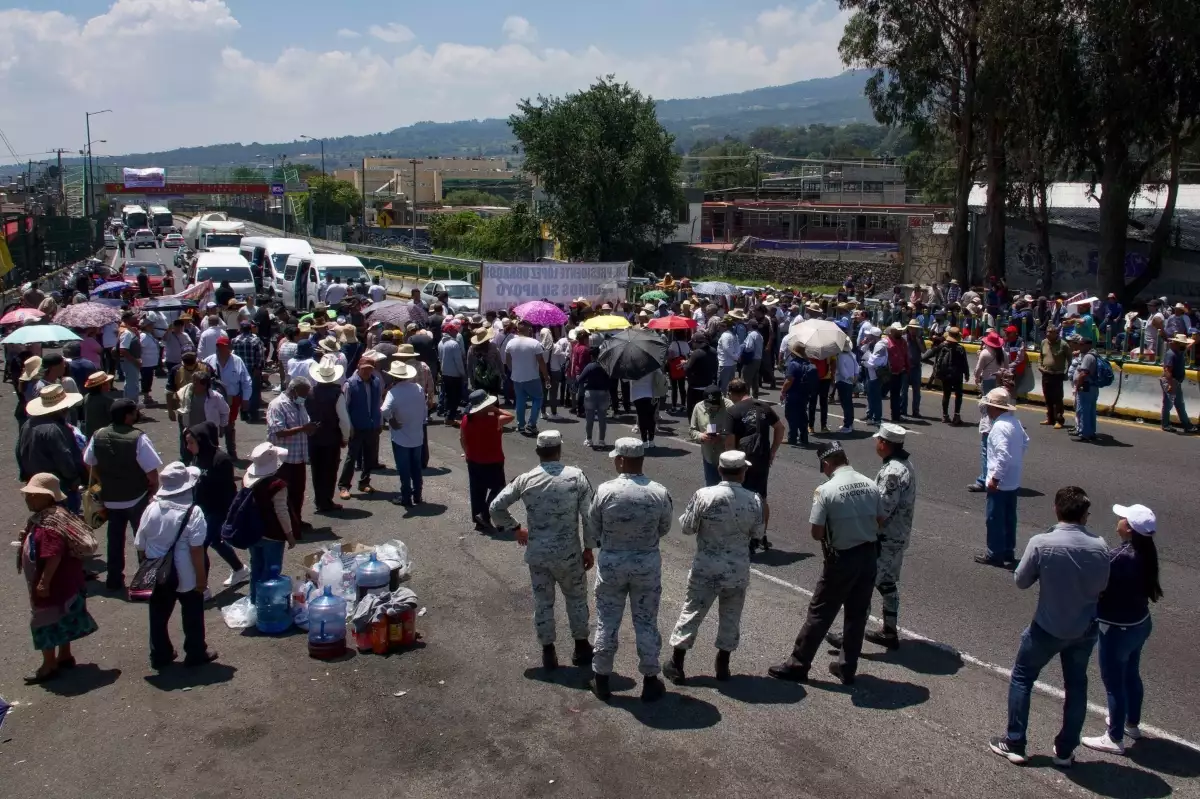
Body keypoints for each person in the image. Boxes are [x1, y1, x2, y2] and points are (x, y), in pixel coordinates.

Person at [989, 486, 1110, 767]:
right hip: (1084, 628)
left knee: (1022, 677)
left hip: (1047, 627)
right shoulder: (1101, 546)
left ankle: (1015, 742)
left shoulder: (1042, 542)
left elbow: (1021, 580)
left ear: (1056, 509)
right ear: (1084, 515)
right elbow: (1103, 586)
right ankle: (1065, 751)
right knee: (1077, 686)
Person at [769, 442, 882, 685]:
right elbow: (882, 520)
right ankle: (847, 667)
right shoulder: (871, 484)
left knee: (820, 612)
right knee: (857, 614)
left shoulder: (826, 490)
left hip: (842, 559)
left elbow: (817, 533)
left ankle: (798, 664)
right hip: (869, 555)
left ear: (826, 463)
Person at [489, 430, 595, 671]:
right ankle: (581, 647)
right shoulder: (576, 477)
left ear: (538, 452)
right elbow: (589, 516)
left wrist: (515, 528)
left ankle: (548, 652)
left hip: (538, 555)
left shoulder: (526, 480)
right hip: (569, 555)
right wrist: (589, 548)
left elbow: (496, 507)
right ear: (559, 450)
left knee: (543, 602)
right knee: (577, 599)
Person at [662, 450, 764, 685]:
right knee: (731, 616)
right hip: (737, 568)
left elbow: (687, 528)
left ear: (720, 470)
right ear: (743, 472)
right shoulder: (754, 499)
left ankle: (677, 663)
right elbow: (758, 533)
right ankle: (723, 664)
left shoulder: (704, 495)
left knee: (692, 612)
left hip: (706, 566)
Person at [583, 438, 674, 702]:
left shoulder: (606, 490)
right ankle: (650, 680)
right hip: (646, 563)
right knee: (645, 622)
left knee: (607, 621)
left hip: (612, 562)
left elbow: (593, 526)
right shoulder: (658, 491)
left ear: (621, 460)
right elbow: (665, 527)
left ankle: (601, 679)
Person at [1082, 503, 1163, 755]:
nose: (1118, 519)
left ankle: (1114, 737)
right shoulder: (1147, 553)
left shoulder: (1118, 557)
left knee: (1113, 682)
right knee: (1131, 675)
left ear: (1128, 528)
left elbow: (1096, 586)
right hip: (1140, 623)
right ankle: (1131, 723)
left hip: (1118, 628)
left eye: (1122, 517)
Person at [830, 423, 917, 652]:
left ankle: (851, 638)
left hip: (885, 538)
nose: (876, 444)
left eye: (878, 440)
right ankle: (889, 630)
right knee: (886, 583)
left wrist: (864, 531)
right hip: (896, 536)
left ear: (885, 444)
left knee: (864, 585)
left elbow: (883, 510)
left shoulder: (892, 472)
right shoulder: (902, 465)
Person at [18, 473, 99, 684]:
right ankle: (64, 655)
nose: (28, 498)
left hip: (55, 584)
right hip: (69, 582)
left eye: (33, 495)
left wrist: (44, 582)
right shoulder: (59, 515)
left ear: (46, 497)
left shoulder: (48, 525)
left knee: (44, 621)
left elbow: (53, 554)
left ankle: (49, 665)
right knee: (63, 617)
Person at [134, 462, 217, 669]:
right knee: (192, 614)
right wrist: (201, 579)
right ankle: (196, 652)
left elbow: (140, 545)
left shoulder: (151, 508)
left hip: (158, 572)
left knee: (158, 616)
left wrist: (148, 570)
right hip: (186, 573)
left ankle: (160, 655)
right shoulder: (193, 512)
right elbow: (196, 549)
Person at [85, 398, 164, 590]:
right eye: (134, 412)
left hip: (111, 499)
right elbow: (152, 473)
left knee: (114, 540)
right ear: (128, 416)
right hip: (137, 497)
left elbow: (89, 462)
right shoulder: (138, 438)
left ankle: (114, 579)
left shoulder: (98, 435)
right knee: (143, 539)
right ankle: (145, 580)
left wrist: (101, 481)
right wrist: (153, 491)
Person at [186, 421, 247, 594]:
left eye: (191, 442)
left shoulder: (221, 460)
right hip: (202, 508)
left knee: (202, 544)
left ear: (202, 440)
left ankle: (202, 589)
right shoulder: (197, 457)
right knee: (216, 541)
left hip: (218, 509)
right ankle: (239, 569)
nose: (188, 446)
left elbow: (227, 490)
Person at [725, 378, 784, 548]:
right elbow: (780, 428)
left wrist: (728, 461)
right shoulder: (763, 407)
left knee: (741, 497)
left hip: (742, 460)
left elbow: (729, 440)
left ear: (732, 393)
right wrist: (773, 451)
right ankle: (762, 534)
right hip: (762, 456)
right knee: (761, 497)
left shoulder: (733, 411)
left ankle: (745, 535)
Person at [975, 388, 1029, 568]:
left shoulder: (998, 427)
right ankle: (1008, 551)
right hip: (1013, 479)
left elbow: (1002, 455)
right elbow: (1025, 442)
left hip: (1000, 482)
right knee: (1009, 518)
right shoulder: (1015, 423)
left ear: (994, 408)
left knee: (994, 518)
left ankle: (994, 553)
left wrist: (995, 478)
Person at [242, 442, 298, 603]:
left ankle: (254, 601)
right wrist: (289, 534)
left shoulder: (247, 479)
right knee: (271, 570)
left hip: (254, 531)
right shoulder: (277, 485)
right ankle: (268, 604)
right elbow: (281, 512)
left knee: (256, 567)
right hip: (272, 534)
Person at [17, 385, 86, 514]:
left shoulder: (28, 424)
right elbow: (64, 458)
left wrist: (26, 476)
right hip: (60, 487)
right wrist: (74, 480)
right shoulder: (54, 429)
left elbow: (19, 451)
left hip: (37, 485)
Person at [460, 389, 514, 531]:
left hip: (474, 459)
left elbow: (462, 439)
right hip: (493, 460)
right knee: (498, 488)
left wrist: (467, 453)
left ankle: (479, 518)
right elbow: (510, 415)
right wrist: (495, 409)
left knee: (477, 490)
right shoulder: (494, 419)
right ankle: (485, 513)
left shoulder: (466, 419)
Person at [266, 375, 314, 530]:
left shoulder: (299, 405)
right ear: (293, 390)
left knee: (298, 492)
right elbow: (279, 431)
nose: (305, 397)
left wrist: (310, 429)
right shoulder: (277, 405)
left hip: (298, 457)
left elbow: (304, 424)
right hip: (283, 460)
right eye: (303, 393)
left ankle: (296, 521)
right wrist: (303, 429)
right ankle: (284, 526)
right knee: (283, 495)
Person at [306, 355, 351, 512]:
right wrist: (345, 437)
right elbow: (344, 420)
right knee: (330, 470)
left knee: (316, 470)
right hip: (331, 438)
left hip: (313, 437)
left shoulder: (310, 392)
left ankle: (319, 499)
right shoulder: (336, 393)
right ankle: (326, 501)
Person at [381, 360, 427, 507]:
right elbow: (424, 408)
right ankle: (417, 494)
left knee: (404, 468)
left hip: (401, 437)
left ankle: (406, 496)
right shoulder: (418, 388)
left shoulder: (393, 392)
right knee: (416, 467)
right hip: (417, 434)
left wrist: (391, 420)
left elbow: (384, 410)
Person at [339, 355, 383, 499]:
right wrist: (349, 427)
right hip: (356, 427)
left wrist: (379, 422)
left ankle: (364, 482)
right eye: (364, 369)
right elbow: (344, 408)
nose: (367, 372)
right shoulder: (350, 384)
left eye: (370, 369)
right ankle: (344, 486)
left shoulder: (376, 382)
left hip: (372, 426)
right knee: (352, 457)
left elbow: (378, 404)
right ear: (358, 367)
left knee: (370, 456)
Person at [204, 336, 253, 459]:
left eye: (224, 347)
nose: (220, 349)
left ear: (229, 348)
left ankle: (231, 452)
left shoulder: (237, 361)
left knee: (229, 426)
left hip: (232, 398)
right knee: (211, 425)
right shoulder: (208, 361)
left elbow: (246, 381)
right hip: (212, 399)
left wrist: (246, 399)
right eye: (219, 346)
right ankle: (212, 452)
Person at [507, 321, 549, 435]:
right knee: (537, 398)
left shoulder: (511, 343)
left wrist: (513, 370)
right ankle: (531, 424)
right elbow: (541, 361)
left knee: (520, 400)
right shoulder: (534, 343)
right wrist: (546, 376)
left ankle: (520, 425)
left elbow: (508, 360)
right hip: (532, 377)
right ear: (529, 330)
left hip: (516, 377)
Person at [689, 385, 733, 486]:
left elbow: (736, 431)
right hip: (709, 456)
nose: (714, 407)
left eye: (716, 404)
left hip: (726, 457)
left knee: (728, 489)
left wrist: (721, 437)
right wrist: (701, 436)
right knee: (711, 487)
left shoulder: (729, 406)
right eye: (710, 405)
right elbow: (692, 430)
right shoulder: (698, 407)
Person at [780, 341, 817, 447]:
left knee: (791, 415)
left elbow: (789, 381)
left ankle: (792, 437)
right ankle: (804, 437)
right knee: (802, 415)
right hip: (805, 394)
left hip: (793, 394)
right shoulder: (808, 364)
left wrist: (783, 391)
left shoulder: (793, 364)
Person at [576, 347, 611, 448]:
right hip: (603, 393)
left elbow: (580, 379)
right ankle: (601, 440)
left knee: (589, 419)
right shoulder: (606, 366)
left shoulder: (589, 366)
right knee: (602, 419)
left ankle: (589, 439)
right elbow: (611, 381)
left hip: (590, 394)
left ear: (592, 356)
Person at [1160, 334, 1195, 433]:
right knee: (1168, 404)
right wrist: (1171, 384)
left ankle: (1187, 425)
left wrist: (1194, 339)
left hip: (1176, 382)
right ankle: (1166, 425)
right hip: (1171, 381)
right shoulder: (1171, 354)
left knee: (1178, 404)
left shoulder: (1179, 351)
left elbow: (1190, 343)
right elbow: (1167, 370)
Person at [232, 321, 266, 423]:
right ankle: (253, 413)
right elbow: (260, 356)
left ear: (241, 329)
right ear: (250, 328)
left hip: (239, 369)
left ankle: (244, 411)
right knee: (254, 390)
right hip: (252, 369)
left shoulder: (235, 340)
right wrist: (258, 368)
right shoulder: (256, 340)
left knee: (242, 390)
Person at [1068, 334, 1099, 442]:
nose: (1079, 346)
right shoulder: (1092, 354)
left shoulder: (1088, 357)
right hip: (1091, 388)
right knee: (1090, 410)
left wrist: (1077, 385)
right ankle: (1090, 432)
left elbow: (1083, 374)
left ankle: (1084, 433)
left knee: (1083, 410)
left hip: (1085, 387)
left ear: (1087, 345)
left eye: (1081, 344)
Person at [1039, 324, 1071, 428]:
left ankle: (1059, 420)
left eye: (1051, 332)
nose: (1048, 334)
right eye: (1047, 332)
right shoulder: (1043, 342)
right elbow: (1040, 356)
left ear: (1056, 333)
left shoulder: (1063, 345)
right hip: (1046, 374)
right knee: (1048, 397)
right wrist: (1040, 366)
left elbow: (1070, 360)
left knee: (1057, 398)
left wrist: (1067, 373)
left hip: (1057, 375)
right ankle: (1050, 418)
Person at [439, 321, 468, 425]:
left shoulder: (441, 343)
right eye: (455, 330)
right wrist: (463, 373)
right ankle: (450, 417)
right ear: (450, 331)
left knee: (448, 395)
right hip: (454, 374)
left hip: (445, 373)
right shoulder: (454, 344)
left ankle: (448, 415)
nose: (457, 332)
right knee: (455, 396)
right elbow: (458, 361)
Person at [81, 371, 115, 438]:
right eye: (107, 382)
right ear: (102, 385)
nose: (109, 384)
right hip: (104, 436)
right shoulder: (108, 401)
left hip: (89, 435)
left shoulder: (86, 397)